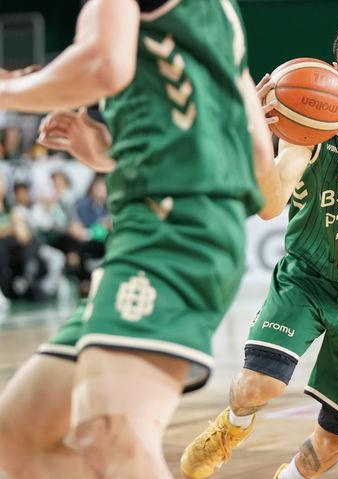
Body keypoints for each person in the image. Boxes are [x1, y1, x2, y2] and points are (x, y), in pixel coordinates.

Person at [0, 0, 278, 477]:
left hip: (172, 230)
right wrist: (110, 153)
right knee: (19, 435)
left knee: (114, 435)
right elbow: (264, 184)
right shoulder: (220, 16)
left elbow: (104, 65)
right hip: (169, 231)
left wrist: (9, 90)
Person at [180, 17, 338, 479]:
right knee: (258, 384)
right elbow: (270, 205)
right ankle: (230, 427)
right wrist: (256, 137)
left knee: (333, 436)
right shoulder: (307, 121)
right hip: (309, 274)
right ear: (336, 70)